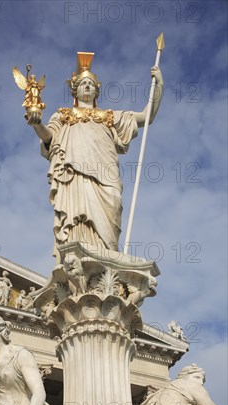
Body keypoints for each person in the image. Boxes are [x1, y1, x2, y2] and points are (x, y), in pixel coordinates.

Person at [27, 52, 163, 258]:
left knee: (113, 205)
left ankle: (108, 260)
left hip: (106, 174)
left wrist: (158, 85)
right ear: (75, 90)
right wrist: (37, 123)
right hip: (74, 174)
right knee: (77, 220)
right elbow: (49, 138)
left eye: (91, 83)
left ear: (97, 90)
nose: (88, 86)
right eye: (83, 84)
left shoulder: (108, 117)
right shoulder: (64, 116)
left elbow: (146, 116)